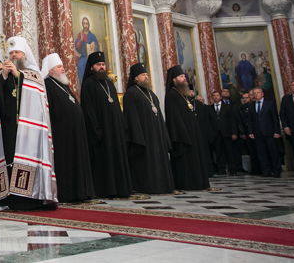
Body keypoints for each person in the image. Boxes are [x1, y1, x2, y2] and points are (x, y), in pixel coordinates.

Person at [0, 37, 55, 211]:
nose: (14, 56)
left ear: (24, 55)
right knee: (8, 159)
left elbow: (37, 99)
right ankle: (6, 198)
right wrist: (4, 77)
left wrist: (18, 75)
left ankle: (29, 198)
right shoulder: (1, 76)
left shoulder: (33, 75)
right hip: (8, 129)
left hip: (29, 131)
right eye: (11, 53)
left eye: (17, 52)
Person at [41, 53, 94, 203]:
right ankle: (67, 193)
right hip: (61, 134)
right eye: (59, 67)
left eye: (62, 66)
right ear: (50, 70)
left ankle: (82, 192)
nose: (63, 68)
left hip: (74, 133)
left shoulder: (63, 84)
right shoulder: (47, 86)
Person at [80, 52, 132, 197]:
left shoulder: (109, 84)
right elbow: (88, 111)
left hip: (115, 132)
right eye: (98, 65)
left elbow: (116, 107)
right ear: (91, 68)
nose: (102, 67)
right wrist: (96, 131)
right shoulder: (88, 85)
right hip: (101, 134)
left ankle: (121, 189)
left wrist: (122, 128)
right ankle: (106, 190)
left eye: (103, 64)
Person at [122, 63, 174, 194]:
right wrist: (138, 138)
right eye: (142, 75)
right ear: (136, 78)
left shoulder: (152, 94)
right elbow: (131, 118)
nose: (146, 77)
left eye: (146, 75)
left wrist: (164, 136)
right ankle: (147, 186)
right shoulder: (131, 94)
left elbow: (159, 116)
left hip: (156, 135)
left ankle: (163, 185)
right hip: (144, 137)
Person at [164, 66, 210, 190]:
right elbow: (174, 118)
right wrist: (183, 134)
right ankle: (187, 184)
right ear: (174, 80)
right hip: (182, 136)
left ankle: (198, 183)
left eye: (184, 76)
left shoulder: (184, 94)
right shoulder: (171, 95)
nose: (185, 78)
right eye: (181, 77)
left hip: (192, 134)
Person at [247, 86, 281, 177]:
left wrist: (277, 131)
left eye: (258, 93)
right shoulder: (251, 105)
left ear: (262, 94)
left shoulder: (270, 104)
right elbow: (250, 120)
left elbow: (275, 119)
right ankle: (265, 170)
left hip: (269, 132)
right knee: (261, 153)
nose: (256, 94)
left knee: (273, 152)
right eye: (254, 93)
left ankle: (276, 170)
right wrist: (250, 132)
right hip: (257, 133)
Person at [210, 90, 239, 176]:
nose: (215, 97)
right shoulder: (210, 108)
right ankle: (221, 169)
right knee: (219, 152)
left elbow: (233, 120)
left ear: (220, 97)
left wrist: (234, 133)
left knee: (229, 151)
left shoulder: (228, 107)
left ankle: (233, 169)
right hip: (216, 134)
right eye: (214, 96)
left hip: (227, 133)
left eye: (217, 95)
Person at [74, 17, 99, 84]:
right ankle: (83, 84)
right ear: (82, 24)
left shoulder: (92, 35)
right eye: (84, 23)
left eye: (87, 24)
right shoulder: (80, 34)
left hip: (91, 57)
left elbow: (97, 47)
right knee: (80, 66)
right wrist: (81, 39)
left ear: (89, 25)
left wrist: (94, 43)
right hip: (83, 56)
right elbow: (77, 47)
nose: (85, 25)